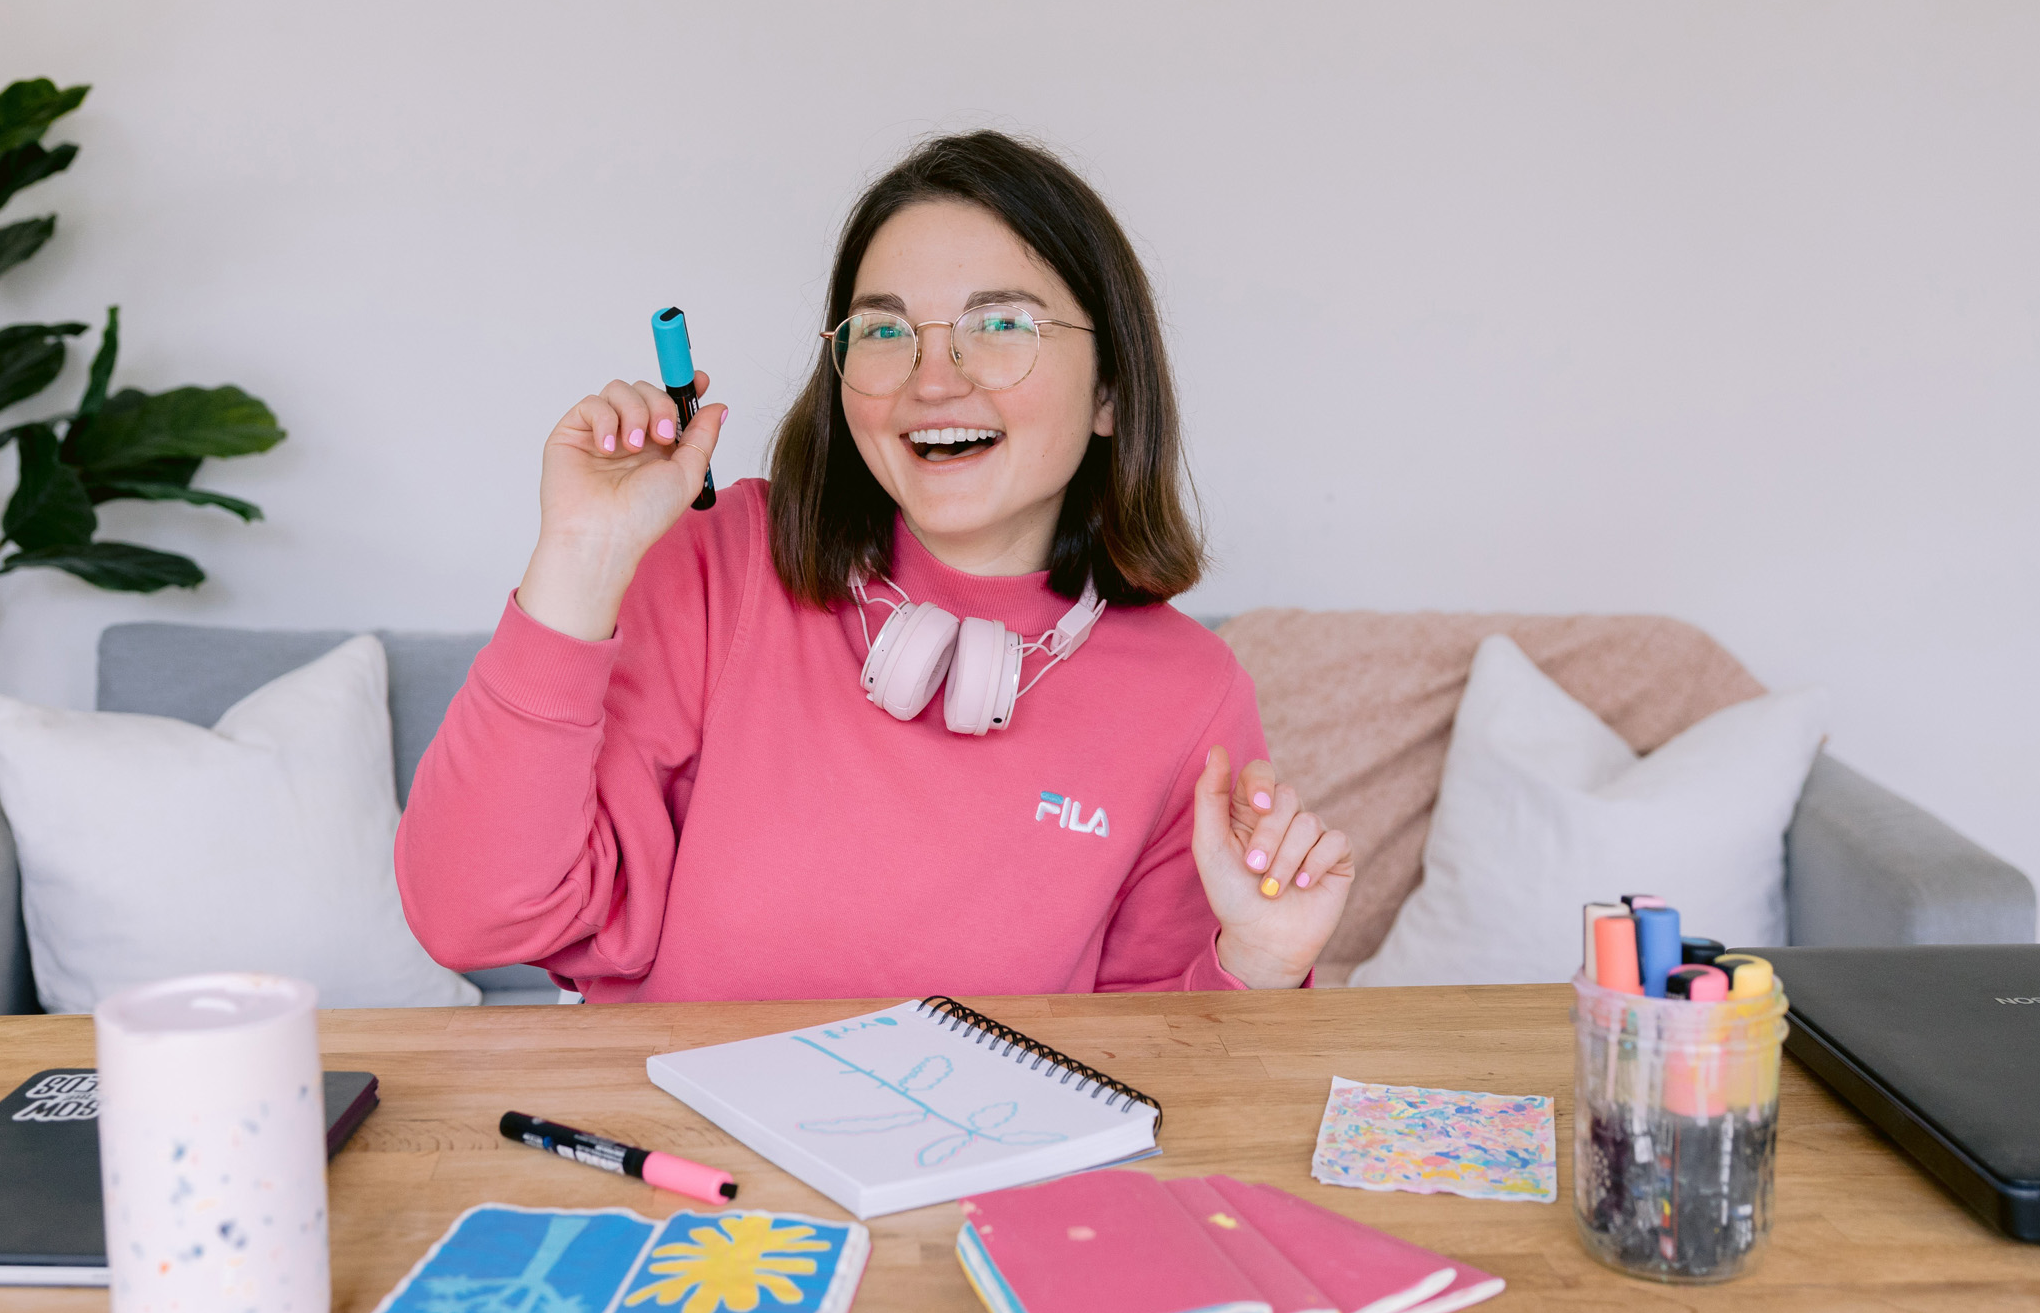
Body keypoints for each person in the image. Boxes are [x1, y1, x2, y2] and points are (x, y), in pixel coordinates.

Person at [396, 131, 1354, 1002]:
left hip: (986, 1185)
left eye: (1002, 325)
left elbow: (1161, 1073)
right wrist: (580, 555)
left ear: (1110, 388)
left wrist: (1258, 966)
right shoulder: (723, 563)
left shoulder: (1189, 695)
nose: (933, 380)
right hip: (694, 1177)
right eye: (885, 330)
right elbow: (471, 916)